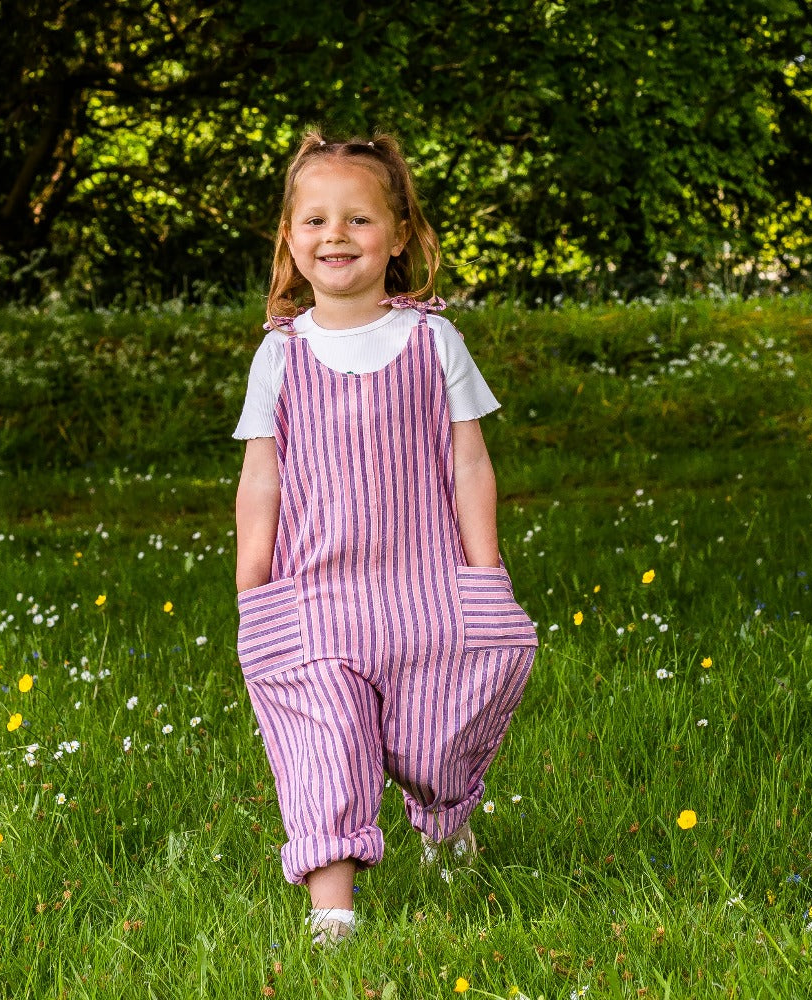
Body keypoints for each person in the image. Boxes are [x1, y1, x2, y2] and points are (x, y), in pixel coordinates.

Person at [232, 129, 537, 948]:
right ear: (290, 239)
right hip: (316, 598)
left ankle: (444, 813)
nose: (335, 235)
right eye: (315, 220)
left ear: (399, 236)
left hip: (427, 590)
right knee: (325, 742)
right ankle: (332, 914)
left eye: (359, 219)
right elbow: (261, 477)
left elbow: (470, 462)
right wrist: (252, 583)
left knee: (436, 739)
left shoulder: (435, 342)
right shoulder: (280, 354)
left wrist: (484, 572)